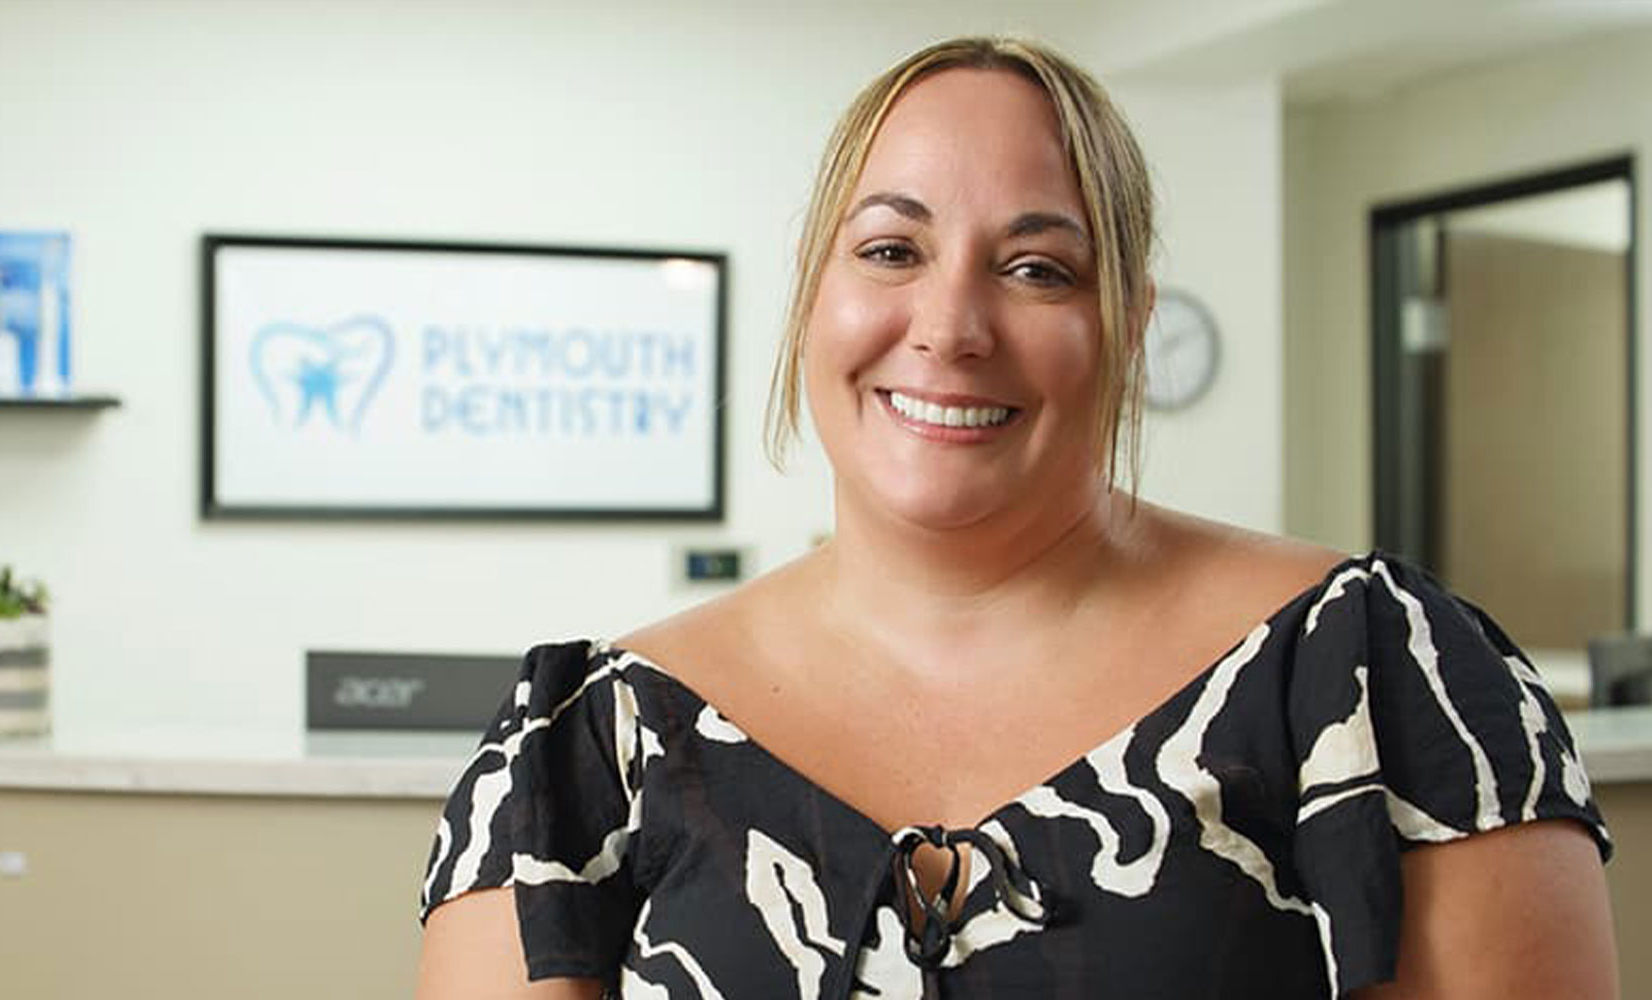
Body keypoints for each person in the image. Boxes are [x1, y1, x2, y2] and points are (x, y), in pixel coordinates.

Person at [416, 35, 1618, 1000]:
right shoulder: (579, 749)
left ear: (1127, 329)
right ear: (810, 298)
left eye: (1036, 268)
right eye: (890, 249)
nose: (949, 327)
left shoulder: (1375, 677)